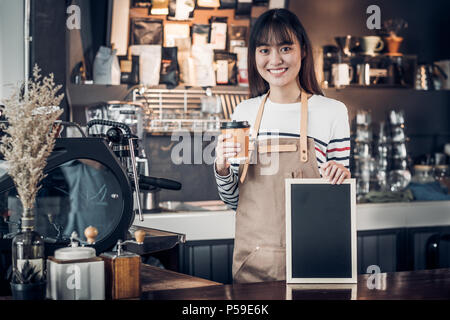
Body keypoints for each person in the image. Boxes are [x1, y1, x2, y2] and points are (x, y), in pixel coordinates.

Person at [214, 8, 351, 283]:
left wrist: (341, 175)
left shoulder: (332, 111)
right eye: (264, 50)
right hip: (253, 265)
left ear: (302, 51)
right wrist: (221, 167)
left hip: (316, 261)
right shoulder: (243, 113)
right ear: (254, 56)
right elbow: (234, 202)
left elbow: (339, 202)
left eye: (285, 48)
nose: (275, 60)